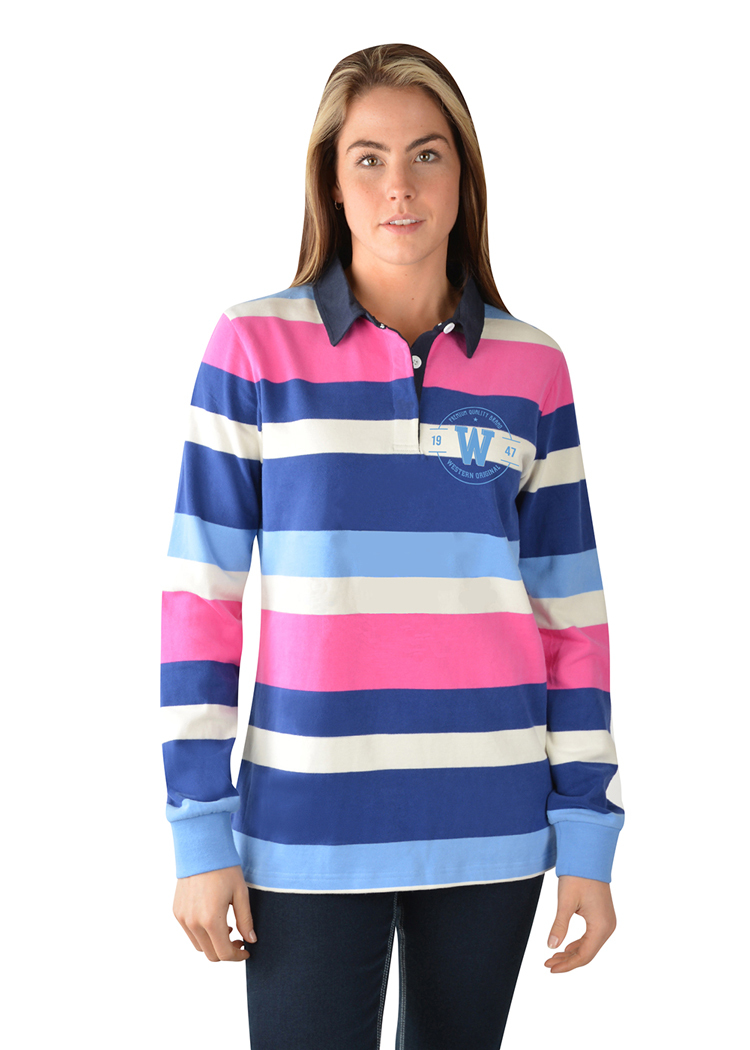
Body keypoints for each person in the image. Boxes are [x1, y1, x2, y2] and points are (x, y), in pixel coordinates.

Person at [161, 42, 624, 1050]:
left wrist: (588, 829)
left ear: (464, 176)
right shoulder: (252, 347)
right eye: (367, 158)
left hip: (493, 819)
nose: (399, 187)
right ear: (332, 181)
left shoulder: (533, 367)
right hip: (305, 821)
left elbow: (572, 616)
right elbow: (200, 600)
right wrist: (199, 825)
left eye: (426, 155)